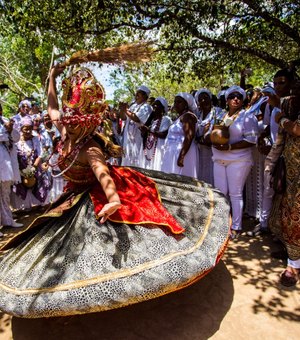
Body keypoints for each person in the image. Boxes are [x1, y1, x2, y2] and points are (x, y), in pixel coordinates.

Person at [0, 65, 230, 318]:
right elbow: (53, 107)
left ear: (87, 124)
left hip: (102, 194)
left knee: (113, 244)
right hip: (75, 195)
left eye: (76, 123)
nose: (69, 126)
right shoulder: (66, 132)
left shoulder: (90, 149)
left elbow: (103, 175)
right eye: (68, 122)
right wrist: (52, 77)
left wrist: (113, 200)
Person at [209, 85, 259, 239]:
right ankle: (222, 224)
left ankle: (236, 226)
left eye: (238, 96)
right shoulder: (221, 116)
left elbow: (251, 140)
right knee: (221, 193)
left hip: (239, 159)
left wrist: (229, 147)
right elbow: (212, 133)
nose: (235, 99)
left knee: (235, 193)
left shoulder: (247, 117)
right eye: (232, 96)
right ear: (227, 100)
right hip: (219, 158)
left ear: (243, 100)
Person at [268, 79, 300, 286]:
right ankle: (292, 257)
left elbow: (296, 129)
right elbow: (282, 137)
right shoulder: (288, 105)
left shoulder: (283, 110)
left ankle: (294, 265)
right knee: (286, 212)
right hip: (289, 172)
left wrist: (281, 119)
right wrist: (271, 162)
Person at [10, 116, 52, 210]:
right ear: (21, 129)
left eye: (30, 129)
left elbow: (40, 154)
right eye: (25, 129)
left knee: (39, 184)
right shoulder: (16, 141)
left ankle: (40, 205)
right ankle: (23, 208)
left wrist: (33, 167)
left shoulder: (36, 139)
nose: (28, 131)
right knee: (21, 186)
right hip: (20, 168)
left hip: (35, 167)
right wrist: (22, 171)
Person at [161, 92, 199, 178]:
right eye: (175, 102)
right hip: (174, 153)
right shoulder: (180, 117)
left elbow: (189, 136)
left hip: (182, 153)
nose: (176, 104)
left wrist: (181, 156)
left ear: (186, 104)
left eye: (179, 102)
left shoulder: (188, 116)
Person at [0, 104, 23, 232]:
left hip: (6, 163)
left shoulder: (5, 120)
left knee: (5, 194)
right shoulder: (4, 125)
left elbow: (16, 137)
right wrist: (5, 130)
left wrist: (10, 130)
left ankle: (8, 220)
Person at [120, 86, 152, 167]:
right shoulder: (133, 106)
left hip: (137, 139)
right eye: (136, 93)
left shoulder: (147, 107)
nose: (136, 95)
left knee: (136, 162)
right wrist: (122, 109)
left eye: (139, 93)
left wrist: (126, 110)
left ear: (145, 96)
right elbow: (123, 118)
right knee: (126, 160)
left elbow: (136, 118)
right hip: (128, 140)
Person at [195, 88, 222, 185]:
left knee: (214, 177)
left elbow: (218, 133)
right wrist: (201, 138)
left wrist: (202, 138)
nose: (203, 101)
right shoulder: (198, 115)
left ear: (210, 99)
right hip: (201, 151)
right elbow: (195, 135)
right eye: (200, 99)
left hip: (213, 152)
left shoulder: (218, 113)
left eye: (206, 98)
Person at [139, 97, 172, 170]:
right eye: (154, 105)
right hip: (148, 149)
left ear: (163, 108)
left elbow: (163, 135)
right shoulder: (150, 120)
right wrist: (143, 131)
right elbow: (144, 135)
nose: (155, 106)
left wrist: (149, 130)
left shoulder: (166, 119)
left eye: (157, 105)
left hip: (158, 148)